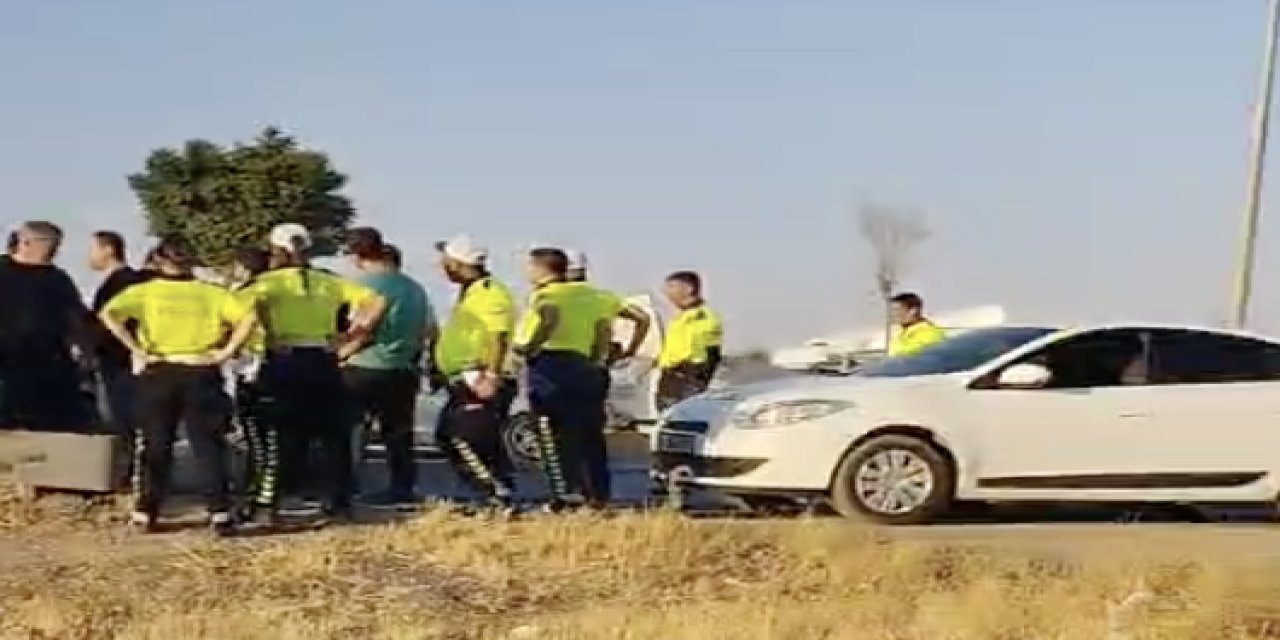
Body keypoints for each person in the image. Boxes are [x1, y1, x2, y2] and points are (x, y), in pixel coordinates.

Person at [98, 236, 259, 536]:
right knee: (208, 445)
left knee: (156, 444)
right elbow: (248, 318)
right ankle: (220, 512)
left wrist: (136, 348)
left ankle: (146, 512)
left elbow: (109, 315)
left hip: (161, 368)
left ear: (159, 259)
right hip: (201, 368)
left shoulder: (144, 292)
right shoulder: (212, 293)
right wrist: (225, 352)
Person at [247, 223, 386, 521]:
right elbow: (376, 302)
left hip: (285, 359)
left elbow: (241, 306)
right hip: (322, 360)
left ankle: (267, 504)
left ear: (276, 249)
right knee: (332, 436)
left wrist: (268, 333)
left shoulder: (269, 282)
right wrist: (350, 337)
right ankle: (339, 502)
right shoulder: (329, 281)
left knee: (279, 435)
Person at [342, 228, 436, 507]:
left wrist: (339, 354)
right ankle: (402, 487)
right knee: (398, 433)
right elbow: (428, 329)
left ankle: (345, 487)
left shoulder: (367, 287)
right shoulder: (415, 288)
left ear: (356, 255)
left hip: (365, 367)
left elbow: (364, 328)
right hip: (403, 368)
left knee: (352, 429)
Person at [514, 247, 613, 512]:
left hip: (552, 367)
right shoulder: (592, 296)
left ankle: (565, 495)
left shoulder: (545, 295)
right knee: (588, 434)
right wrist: (596, 359)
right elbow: (604, 329)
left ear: (541, 269)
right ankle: (597, 495)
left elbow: (549, 317)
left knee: (552, 434)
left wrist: (529, 347)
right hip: (584, 367)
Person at [433, 235, 519, 512]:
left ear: (457, 263)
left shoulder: (489, 294)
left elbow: (498, 336)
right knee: (471, 438)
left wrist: (491, 375)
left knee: (460, 436)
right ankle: (493, 494)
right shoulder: (472, 292)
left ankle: (496, 492)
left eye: (445, 260)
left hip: (479, 376)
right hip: (466, 375)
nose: (441, 265)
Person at [560, 249, 652, 508]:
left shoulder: (554, 298)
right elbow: (642, 318)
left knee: (565, 436)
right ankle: (599, 494)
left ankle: (573, 492)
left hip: (566, 370)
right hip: (596, 371)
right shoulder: (603, 298)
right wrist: (631, 348)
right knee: (592, 437)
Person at [0, 221, 96, 430]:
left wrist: (86, 353)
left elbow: (76, 318)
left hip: (50, 362)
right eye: (48, 245)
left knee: (59, 424)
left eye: (56, 246)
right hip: (7, 361)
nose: (53, 252)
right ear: (25, 242)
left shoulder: (58, 279)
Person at [88, 231, 152, 473]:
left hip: (121, 361)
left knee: (127, 419)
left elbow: (114, 322)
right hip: (120, 359)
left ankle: (135, 473)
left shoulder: (121, 282)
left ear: (107, 249)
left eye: (92, 249)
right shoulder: (123, 281)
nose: (89, 257)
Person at [226, 247, 278, 523]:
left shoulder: (245, 295)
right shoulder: (278, 290)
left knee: (255, 440)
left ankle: (257, 501)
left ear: (242, 269)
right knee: (270, 440)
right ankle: (265, 501)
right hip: (279, 365)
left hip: (251, 369)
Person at [654, 270, 723, 412]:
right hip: (670, 377)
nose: (666, 292)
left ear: (688, 289)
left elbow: (711, 352)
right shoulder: (680, 317)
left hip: (687, 377)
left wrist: (696, 377)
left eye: (672, 287)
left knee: (683, 417)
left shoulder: (702, 316)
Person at [886, 292, 945, 357]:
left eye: (897, 310)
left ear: (913, 311)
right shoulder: (903, 333)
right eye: (892, 311)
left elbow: (905, 355)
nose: (893, 314)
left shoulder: (929, 333)